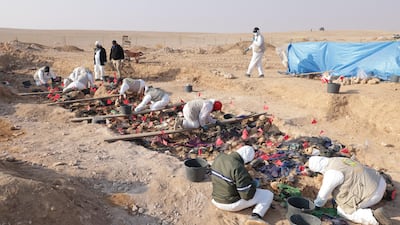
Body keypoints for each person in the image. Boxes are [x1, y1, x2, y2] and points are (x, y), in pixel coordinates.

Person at [308, 156, 392, 225]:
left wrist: (317, 205)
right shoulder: (337, 159)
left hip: (373, 194)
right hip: (380, 181)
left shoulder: (331, 173)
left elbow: (324, 194)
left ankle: (374, 217)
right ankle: (385, 194)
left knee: (343, 211)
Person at [211, 145, 273, 225]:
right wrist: (253, 185)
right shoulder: (238, 168)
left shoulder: (219, 158)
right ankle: (256, 216)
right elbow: (246, 196)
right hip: (229, 204)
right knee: (268, 195)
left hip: (215, 199)